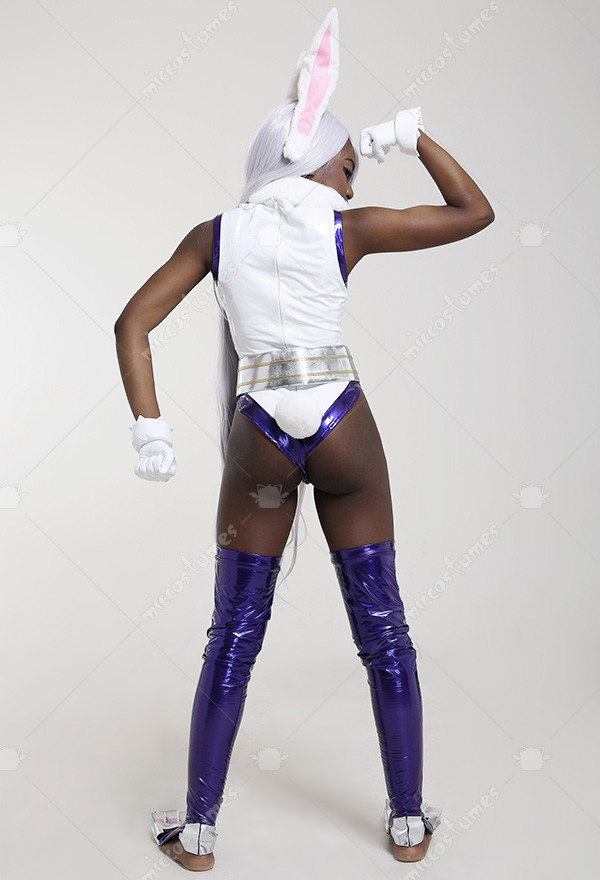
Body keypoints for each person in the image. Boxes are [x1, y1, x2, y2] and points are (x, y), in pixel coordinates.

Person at [114, 11, 494, 872]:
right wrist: (416, 136)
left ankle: (199, 833)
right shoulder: (345, 230)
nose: (351, 185)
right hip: (342, 424)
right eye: (348, 166)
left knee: (232, 635)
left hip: (258, 433)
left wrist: (150, 429)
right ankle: (408, 825)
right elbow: (474, 212)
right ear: (311, 161)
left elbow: (132, 323)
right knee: (384, 631)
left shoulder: (215, 234)